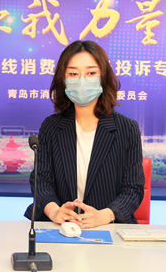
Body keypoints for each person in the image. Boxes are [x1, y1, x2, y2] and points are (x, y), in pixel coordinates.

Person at [25, 40, 145, 228]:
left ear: (103, 77)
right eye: (73, 74)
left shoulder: (127, 129)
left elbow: (133, 189)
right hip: (61, 228)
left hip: (108, 228)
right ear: (63, 79)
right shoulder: (51, 127)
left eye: (91, 73)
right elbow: (41, 180)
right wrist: (54, 211)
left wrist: (105, 215)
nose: (82, 81)